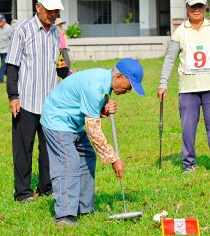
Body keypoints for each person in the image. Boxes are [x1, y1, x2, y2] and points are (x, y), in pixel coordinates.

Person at [40, 58, 145, 226]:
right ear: (119, 76)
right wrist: (114, 159)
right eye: (129, 85)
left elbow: (90, 109)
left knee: (87, 155)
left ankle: (84, 207)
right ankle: (64, 216)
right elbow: (93, 130)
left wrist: (103, 109)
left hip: (72, 122)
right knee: (69, 162)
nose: (129, 90)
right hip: (57, 119)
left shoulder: (105, 83)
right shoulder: (96, 87)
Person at [158, 0, 210, 175]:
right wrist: (163, 83)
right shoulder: (179, 32)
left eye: (200, 6)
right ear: (187, 8)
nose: (196, 10)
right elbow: (169, 59)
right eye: (193, 6)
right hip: (188, 89)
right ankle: (188, 163)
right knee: (187, 129)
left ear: (206, 7)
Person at [6, 0, 69, 202]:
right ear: (38, 7)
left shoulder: (55, 33)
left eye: (56, 11)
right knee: (23, 150)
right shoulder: (22, 31)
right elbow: (12, 66)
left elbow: (59, 64)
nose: (53, 15)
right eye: (49, 10)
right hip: (26, 101)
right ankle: (23, 192)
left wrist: (70, 76)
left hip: (50, 102)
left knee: (48, 148)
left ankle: (46, 187)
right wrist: (13, 96)